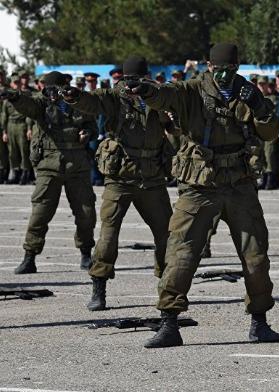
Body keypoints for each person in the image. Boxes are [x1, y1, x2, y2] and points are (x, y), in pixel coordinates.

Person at [127, 43, 279, 347]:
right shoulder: (193, 90)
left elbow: (270, 132)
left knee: (255, 257)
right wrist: (146, 91)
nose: (225, 75)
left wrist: (261, 107)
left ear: (238, 68)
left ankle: (260, 322)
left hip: (239, 183)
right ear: (209, 66)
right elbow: (165, 95)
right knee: (182, 253)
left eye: (231, 70)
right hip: (200, 184)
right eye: (220, 69)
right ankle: (169, 323)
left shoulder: (247, 91)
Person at [62, 56, 176, 311]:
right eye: (129, 80)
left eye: (138, 79)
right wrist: (74, 96)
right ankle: (99, 286)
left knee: (166, 234)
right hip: (120, 177)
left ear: (147, 77)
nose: (133, 84)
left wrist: (172, 118)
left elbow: (174, 125)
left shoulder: (157, 97)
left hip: (152, 178)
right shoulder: (115, 97)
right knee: (108, 235)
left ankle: (167, 287)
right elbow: (92, 102)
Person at [4, 71, 97, 274]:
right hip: (49, 165)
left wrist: (88, 133)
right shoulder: (41, 104)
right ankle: (29, 256)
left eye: (57, 89)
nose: (53, 93)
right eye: (49, 89)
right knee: (40, 213)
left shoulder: (79, 102)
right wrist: (13, 95)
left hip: (77, 166)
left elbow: (92, 125)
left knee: (86, 213)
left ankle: (86, 253)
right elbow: (26, 104)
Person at [2, 75, 33, 185]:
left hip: (21, 125)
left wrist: (29, 128)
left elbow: (29, 113)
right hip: (11, 126)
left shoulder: (24, 97)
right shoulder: (7, 99)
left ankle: (25, 173)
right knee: (12, 151)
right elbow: (4, 116)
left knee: (24, 150)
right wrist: (4, 132)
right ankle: (15, 172)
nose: (16, 85)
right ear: (11, 84)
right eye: (14, 83)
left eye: (18, 83)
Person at [257, 75, 279, 190]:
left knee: (270, 155)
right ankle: (264, 178)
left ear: (268, 85)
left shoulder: (273, 98)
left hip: (271, 131)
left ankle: (271, 180)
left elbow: (275, 115)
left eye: (264, 84)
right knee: (261, 155)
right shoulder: (256, 98)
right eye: (260, 84)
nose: (262, 87)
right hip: (259, 131)